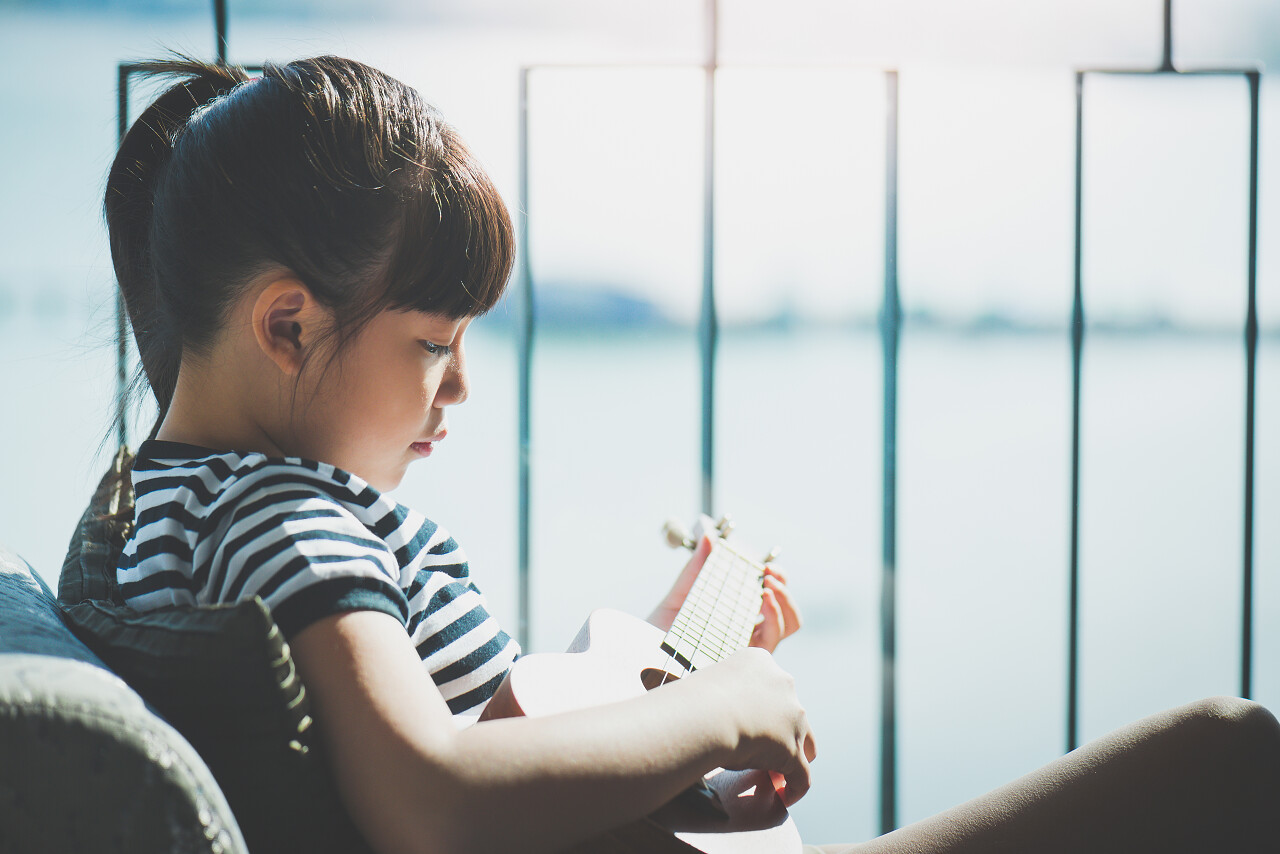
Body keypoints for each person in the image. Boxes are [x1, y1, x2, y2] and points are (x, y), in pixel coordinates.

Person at [101, 55, 1279, 854]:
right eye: (431, 344)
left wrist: (644, 659)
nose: (459, 385)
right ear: (288, 323)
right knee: (1227, 756)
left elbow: (479, 733)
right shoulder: (289, 521)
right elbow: (433, 796)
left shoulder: (172, 507)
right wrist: (717, 708)